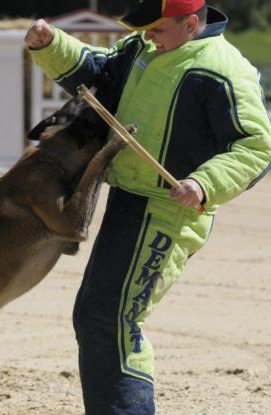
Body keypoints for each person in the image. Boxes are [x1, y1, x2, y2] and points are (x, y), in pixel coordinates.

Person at [24, 0, 271, 413]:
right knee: (97, 314)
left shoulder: (226, 71)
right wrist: (52, 44)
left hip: (170, 211)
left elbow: (256, 146)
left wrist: (203, 183)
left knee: (111, 318)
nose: (147, 35)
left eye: (157, 28)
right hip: (128, 199)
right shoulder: (144, 48)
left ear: (191, 24)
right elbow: (101, 70)